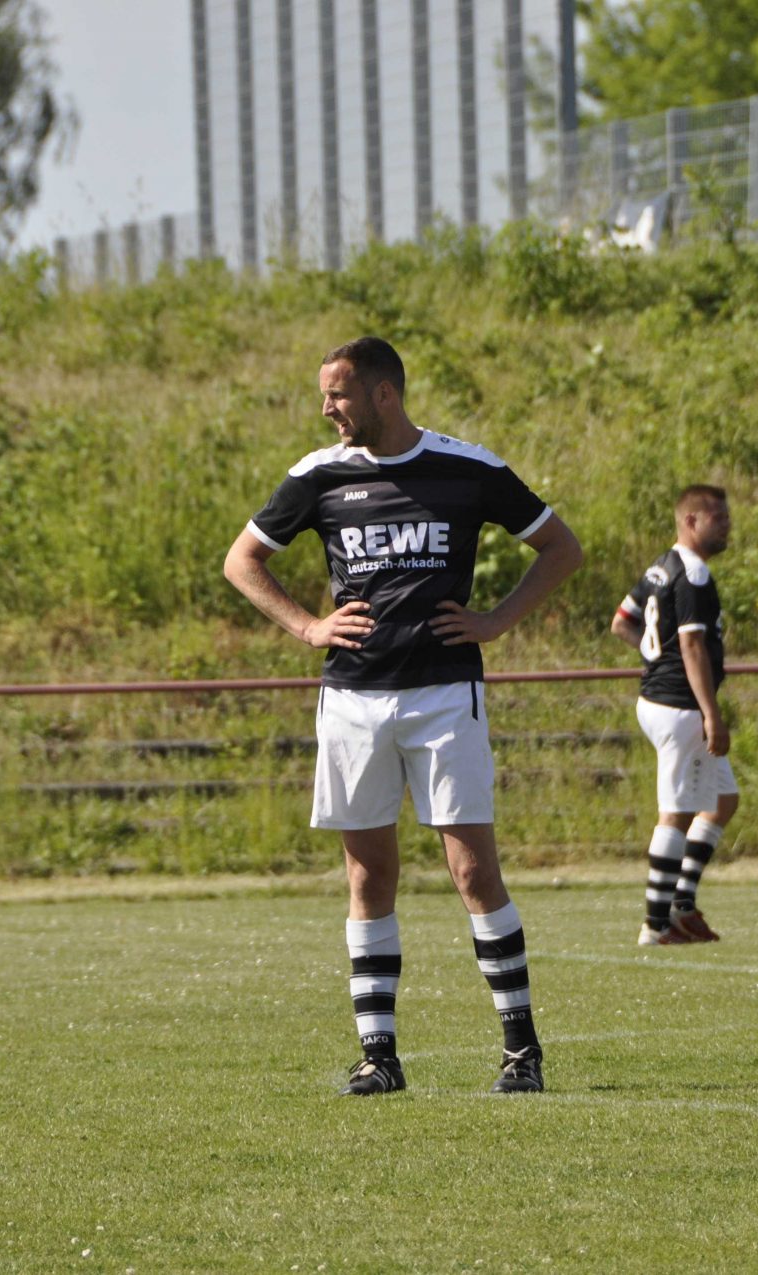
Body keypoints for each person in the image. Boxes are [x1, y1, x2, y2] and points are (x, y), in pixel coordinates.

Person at [222, 336, 583, 1096]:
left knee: (472, 870)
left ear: (385, 394)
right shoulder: (317, 475)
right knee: (369, 871)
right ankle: (379, 1055)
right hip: (352, 697)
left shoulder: (468, 467)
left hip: (445, 692)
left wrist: (494, 619)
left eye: (339, 394)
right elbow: (242, 560)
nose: (327, 408)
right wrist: (308, 627)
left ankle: (522, 1050)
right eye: (325, 395)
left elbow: (559, 547)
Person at [611, 485, 737, 945]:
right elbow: (692, 643)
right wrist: (711, 712)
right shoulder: (694, 573)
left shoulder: (660, 567)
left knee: (723, 800)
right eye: (718, 518)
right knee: (677, 813)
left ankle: (681, 905)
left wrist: (653, 659)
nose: (726, 526)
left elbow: (621, 621)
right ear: (691, 521)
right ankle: (656, 925)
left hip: (660, 700)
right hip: (680, 707)